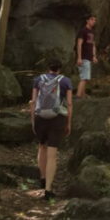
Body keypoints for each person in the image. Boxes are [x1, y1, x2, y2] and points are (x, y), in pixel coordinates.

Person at [31, 62, 73, 201]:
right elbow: (70, 103)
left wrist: (33, 120)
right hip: (58, 119)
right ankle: (48, 190)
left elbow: (34, 100)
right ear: (59, 69)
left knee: (42, 147)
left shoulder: (38, 80)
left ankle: (42, 178)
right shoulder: (66, 81)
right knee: (52, 154)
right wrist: (68, 122)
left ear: (48, 68)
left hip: (40, 119)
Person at [75, 15, 98, 98]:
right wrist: (79, 58)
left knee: (85, 77)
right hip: (83, 57)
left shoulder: (92, 32)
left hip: (89, 57)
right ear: (87, 20)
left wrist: (94, 56)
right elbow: (79, 44)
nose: (94, 21)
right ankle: (78, 95)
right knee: (84, 78)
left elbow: (93, 45)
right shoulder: (83, 31)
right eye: (92, 20)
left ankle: (83, 94)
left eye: (95, 20)